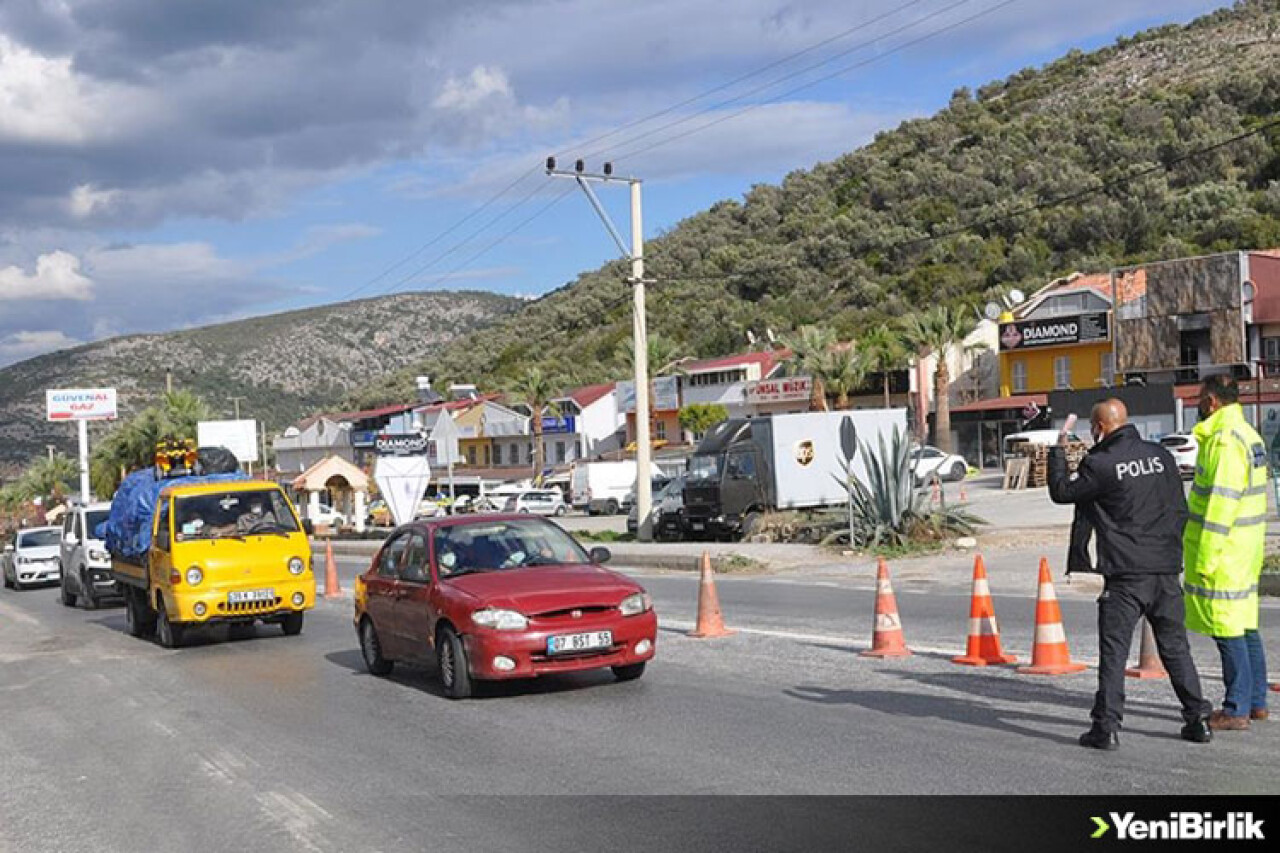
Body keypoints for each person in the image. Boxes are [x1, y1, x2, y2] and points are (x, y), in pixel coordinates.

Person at [1048, 398, 1212, 750]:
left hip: (1126, 575)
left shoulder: (1102, 463)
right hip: (1166, 570)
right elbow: (1177, 507)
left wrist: (1058, 454)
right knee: (1176, 648)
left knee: (1114, 652)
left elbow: (1062, 493)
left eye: (1094, 429)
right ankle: (1198, 719)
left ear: (1100, 428)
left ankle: (1105, 729)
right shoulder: (1161, 456)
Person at [1184, 375, 1269, 730]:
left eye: (1201, 398)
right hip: (1245, 548)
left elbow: (1221, 504)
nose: (1198, 405)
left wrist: (1206, 559)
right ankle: (1256, 702)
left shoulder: (1224, 441)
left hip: (1224, 550)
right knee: (1245, 626)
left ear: (1213, 401)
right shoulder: (1249, 435)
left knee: (1227, 629)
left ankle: (1236, 709)